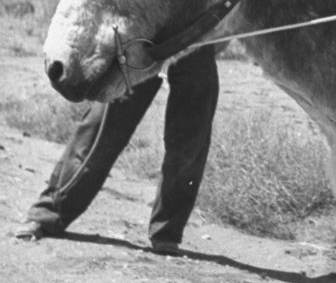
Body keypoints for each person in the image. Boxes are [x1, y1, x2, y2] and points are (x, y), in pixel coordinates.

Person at [13, 46, 219, 255]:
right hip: (146, 38)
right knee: (102, 128)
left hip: (197, 39)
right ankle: (47, 214)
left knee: (191, 139)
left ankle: (167, 234)